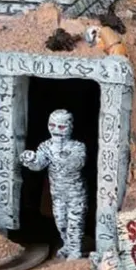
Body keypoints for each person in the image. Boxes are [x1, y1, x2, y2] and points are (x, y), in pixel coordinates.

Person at [20, 109, 87, 260]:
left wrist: (62, 158)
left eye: (61, 126)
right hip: (57, 193)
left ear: (70, 127)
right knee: (61, 221)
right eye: (52, 125)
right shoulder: (46, 146)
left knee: (75, 221)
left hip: (75, 192)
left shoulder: (77, 147)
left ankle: (75, 249)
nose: (56, 130)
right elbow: (39, 164)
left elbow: (78, 163)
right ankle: (67, 244)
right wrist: (31, 159)